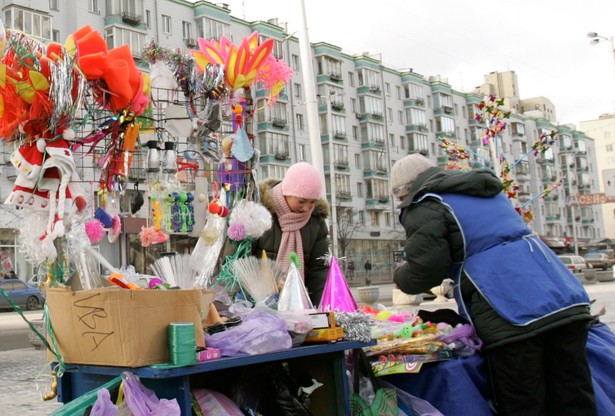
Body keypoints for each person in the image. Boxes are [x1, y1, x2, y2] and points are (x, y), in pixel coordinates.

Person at [390, 153, 596, 416]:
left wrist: (401, 277)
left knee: (522, 402)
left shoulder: (425, 203)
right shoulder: (480, 188)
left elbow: (424, 271)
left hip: (508, 307)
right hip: (561, 295)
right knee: (573, 396)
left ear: (405, 190)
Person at [252, 162, 330, 305]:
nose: (307, 208)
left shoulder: (316, 222)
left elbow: (319, 271)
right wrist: (269, 280)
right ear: (286, 193)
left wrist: (321, 308)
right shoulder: (259, 213)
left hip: (296, 304)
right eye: (301, 201)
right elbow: (238, 262)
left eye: (312, 202)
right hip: (257, 303)